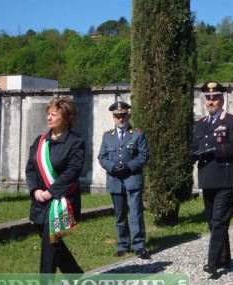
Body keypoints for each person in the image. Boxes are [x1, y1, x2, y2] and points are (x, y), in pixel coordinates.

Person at [189, 81, 233, 276]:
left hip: (225, 177)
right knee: (213, 222)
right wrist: (192, 154)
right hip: (207, 178)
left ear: (222, 100)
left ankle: (212, 263)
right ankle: (224, 258)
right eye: (208, 98)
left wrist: (216, 151)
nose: (211, 101)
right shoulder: (201, 124)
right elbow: (195, 146)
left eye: (215, 98)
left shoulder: (231, 121)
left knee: (220, 221)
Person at [26, 97, 85, 273]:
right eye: (48, 114)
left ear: (66, 119)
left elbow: (72, 172)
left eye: (54, 114)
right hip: (40, 200)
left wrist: (51, 192)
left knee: (50, 242)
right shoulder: (40, 141)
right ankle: (75, 275)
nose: (49, 118)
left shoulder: (75, 142)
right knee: (53, 241)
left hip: (63, 200)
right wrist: (35, 190)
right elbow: (30, 168)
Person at [98, 101, 150, 259]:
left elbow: (143, 155)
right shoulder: (107, 137)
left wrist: (129, 166)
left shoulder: (138, 134)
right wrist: (112, 167)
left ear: (128, 115)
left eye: (123, 116)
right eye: (117, 116)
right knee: (120, 214)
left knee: (135, 213)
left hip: (132, 178)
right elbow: (102, 157)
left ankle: (139, 244)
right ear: (113, 117)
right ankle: (123, 244)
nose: (121, 119)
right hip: (115, 180)